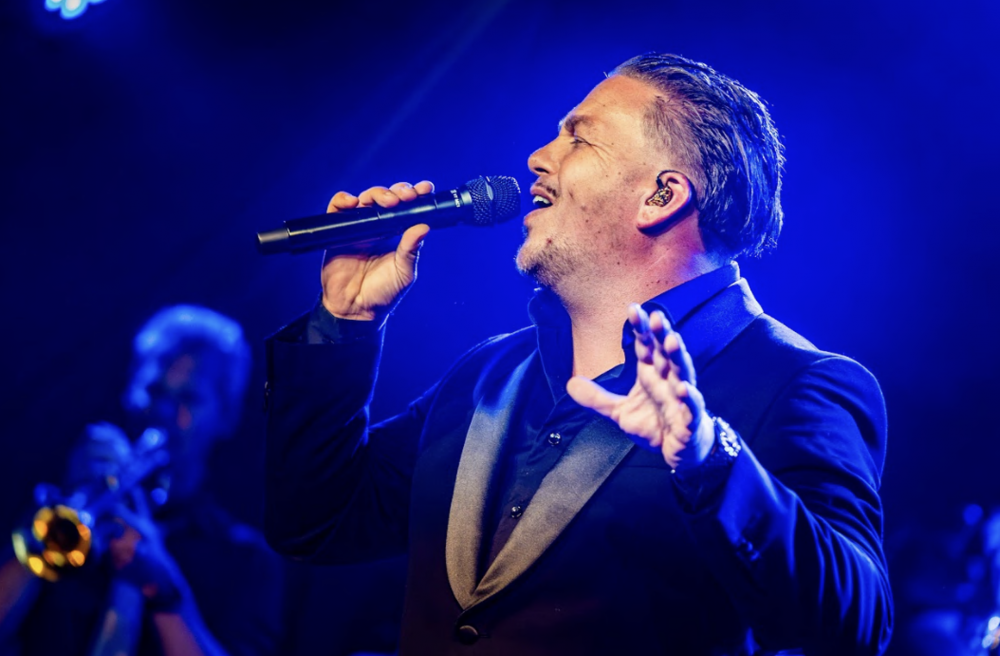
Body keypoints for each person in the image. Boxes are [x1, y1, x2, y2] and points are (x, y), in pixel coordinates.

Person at [263, 53, 892, 655]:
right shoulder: (486, 374)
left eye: (578, 138)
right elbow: (316, 524)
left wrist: (710, 460)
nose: (538, 158)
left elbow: (858, 626)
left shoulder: (797, 383)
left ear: (661, 196)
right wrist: (344, 320)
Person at [0, 305, 283, 656]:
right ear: (129, 391)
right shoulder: (55, 501)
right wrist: (47, 525)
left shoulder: (245, 562)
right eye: (154, 390)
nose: (163, 411)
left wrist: (166, 594)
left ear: (226, 417)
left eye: (188, 399)